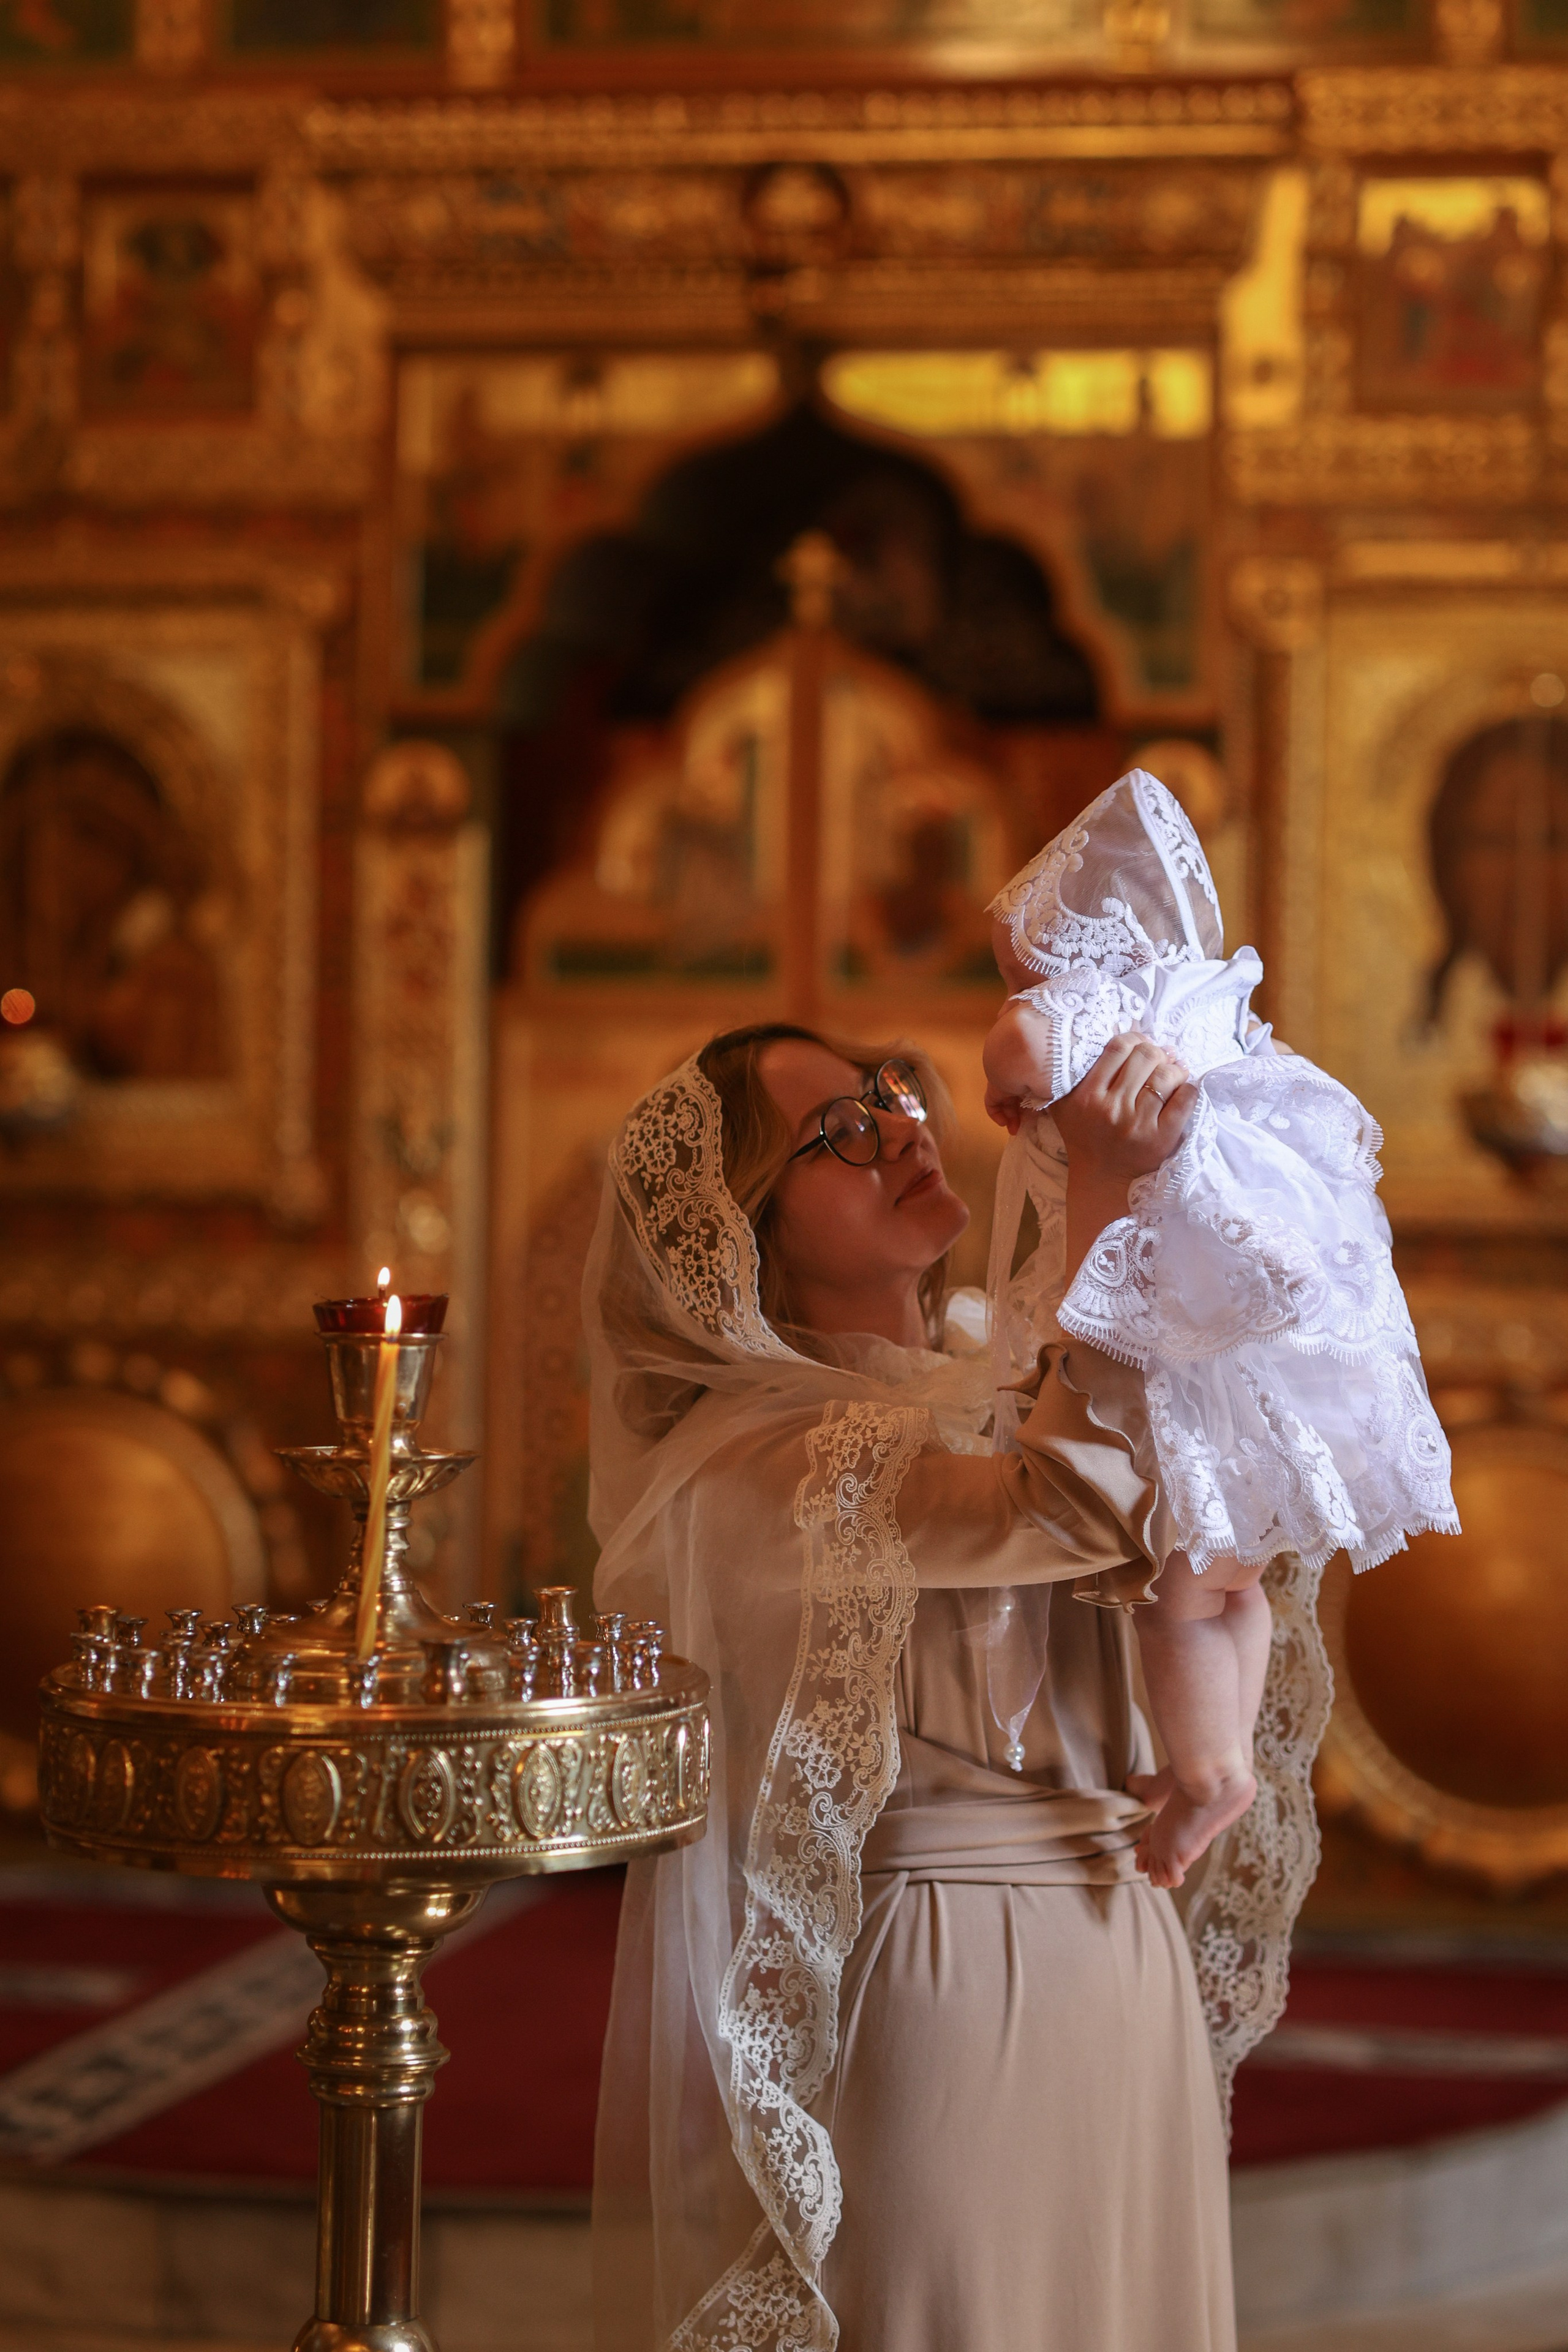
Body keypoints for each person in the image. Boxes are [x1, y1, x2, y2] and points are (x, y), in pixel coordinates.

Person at [587, 1016, 1331, 2352]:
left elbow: (1221, 1521)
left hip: (1124, 1938)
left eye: (888, 1094)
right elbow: (1065, 1511)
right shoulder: (749, 1459)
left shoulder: (1002, 1373)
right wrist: (1107, 1205)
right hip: (944, 1973)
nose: (899, 1127)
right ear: (748, 1228)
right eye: (840, 1133)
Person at [982, 769, 1458, 1889]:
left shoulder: (1088, 1000)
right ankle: (1223, 1755)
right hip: (1263, 1350)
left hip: (1187, 1341)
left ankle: (1205, 1773)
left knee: (1176, 1595)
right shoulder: (1210, 989)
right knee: (1233, 1583)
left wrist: (1013, 1067)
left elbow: (1020, 1053)